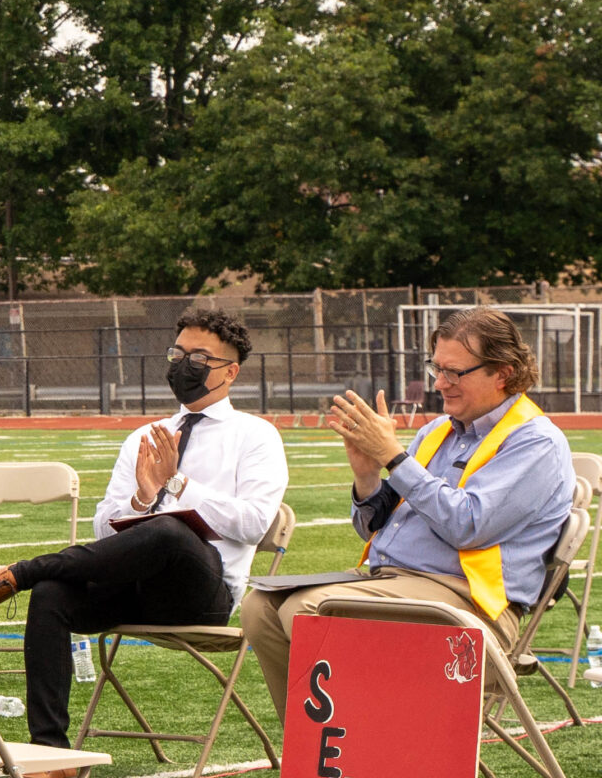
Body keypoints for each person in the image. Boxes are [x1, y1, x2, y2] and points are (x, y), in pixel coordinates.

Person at [0, 310, 287, 778]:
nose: (183, 365)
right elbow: (104, 531)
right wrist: (143, 498)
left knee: (170, 531)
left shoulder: (256, 436)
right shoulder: (143, 437)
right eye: (178, 354)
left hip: (202, 596)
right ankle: (50, 755)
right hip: (133, 589)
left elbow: (252, 524)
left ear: (230, 371)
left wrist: (177, 485)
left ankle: (20, 572)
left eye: (199, 358)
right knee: (52, 595)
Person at [241, 307, 574, 722]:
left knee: (310, 610)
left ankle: (352, 744)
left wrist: (394, 458)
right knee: (260, 608)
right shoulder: (436, 431)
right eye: (437, 368)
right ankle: (318, 747)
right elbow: (372, 530)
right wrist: (367, 476)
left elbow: (468, 526)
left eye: (454, 373)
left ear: (503, 373)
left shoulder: (536, 441)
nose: (439, 383)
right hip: (395, 584)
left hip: (469, 608)